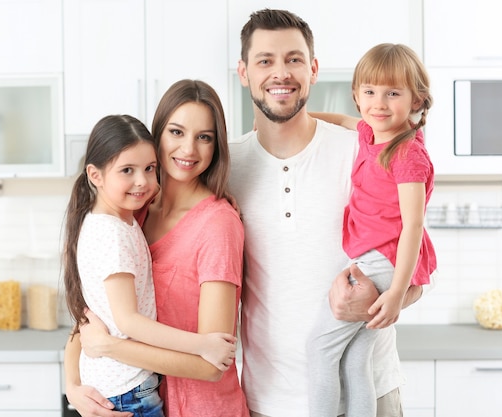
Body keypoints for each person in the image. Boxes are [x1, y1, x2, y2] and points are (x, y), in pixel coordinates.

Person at [228, 9, 425, 417]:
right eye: (265, 60)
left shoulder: (366, 151)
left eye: (294, 59)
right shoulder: (226, 167)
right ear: (243, 71)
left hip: (370, 394)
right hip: (270, 401)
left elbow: (419, 265)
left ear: (314, 69)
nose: (280, 73)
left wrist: (378, 300)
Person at [64, 80, 250, 417]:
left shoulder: (217, 226)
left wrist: (110, 348)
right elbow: (93, 309)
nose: (189, 150)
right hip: (136, 398)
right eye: (176, 132)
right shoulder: (133, 212)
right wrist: (73, 386)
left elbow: (212, 364)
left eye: (204, 137)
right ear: (157, 137)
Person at [306, 43, 437, 417]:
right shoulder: (370, 130)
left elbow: (413, 224)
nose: (378, 103)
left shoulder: (406, 154)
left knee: (320, 349)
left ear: (417, 100)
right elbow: (346, 121)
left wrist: (396, 291)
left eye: (392, 93)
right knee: (353, 361)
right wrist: (302, 117)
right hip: (373, 254)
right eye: (369, 92)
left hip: (383, 259)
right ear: (357, 96)